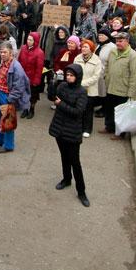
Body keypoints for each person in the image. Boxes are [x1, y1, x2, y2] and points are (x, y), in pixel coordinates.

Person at [47, 64, 90, 207]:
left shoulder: (82, 92)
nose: (69, 77)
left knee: (75, 162)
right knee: (64, 156)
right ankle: (66, 179)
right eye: (67, 75)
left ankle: (81, 192)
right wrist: (52, 84)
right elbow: (52, 97)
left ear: (77, 77)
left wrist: (61, 104)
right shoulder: (62, 86)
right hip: (59, 128)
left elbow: (78, 111)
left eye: (72, 75)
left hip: (72, 131)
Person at [0, 41, 31, 153]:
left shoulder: (16, 67)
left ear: (11, 52)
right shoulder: (3, 63)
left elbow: (19, 87)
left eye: (5, 52)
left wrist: (10, 99)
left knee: (8, 121)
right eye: (1, 52)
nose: (2, 54)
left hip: (7, 96)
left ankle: (8, 145)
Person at [101, 32, 136, 140]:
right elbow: (108, 66)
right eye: (117, 41)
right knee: (109, 109)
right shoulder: (113, 51)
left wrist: (131, 93)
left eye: (120, 41)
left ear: (127, 41)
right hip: (111, 86)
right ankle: (109, 127)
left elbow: (134, 76)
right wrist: (106, 76)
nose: (118, 43)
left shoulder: (133, 56)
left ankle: (120, 133)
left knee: (121, 113)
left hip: (123, 89)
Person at [73, 39, 104, 138]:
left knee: (88, 110)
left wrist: (83, 83)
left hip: (90, 89)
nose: (83, 49)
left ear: (91, 49)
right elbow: (73, 71)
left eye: (86, 47)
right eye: (82, 47)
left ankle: (87, 129)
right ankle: (78, 127)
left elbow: (96, 76)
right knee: (78, 108)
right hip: (78, 88)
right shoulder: (77, 58)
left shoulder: (97, 60)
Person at [17, 32, 44, 119]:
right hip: (23, 77)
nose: (28, 41)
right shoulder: (23, 48)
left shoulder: (39, 52)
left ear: (35, 41)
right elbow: (19, 61)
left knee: (32, 96)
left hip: (32, 78)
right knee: (23, 94)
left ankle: (32, 110)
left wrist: (36, 80)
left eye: (30, 40)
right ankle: (25, 110)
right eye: (28, 39)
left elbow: (39, 68)